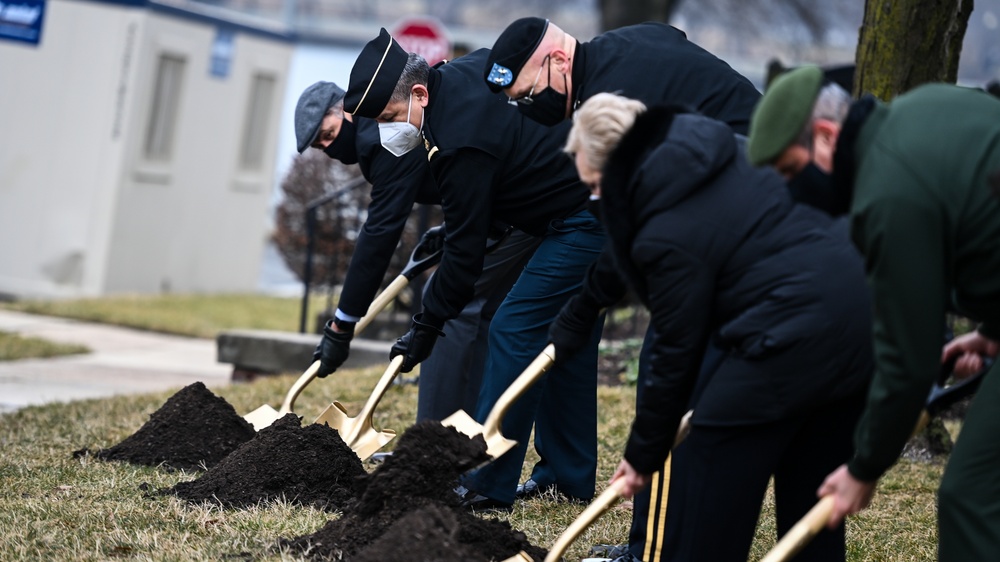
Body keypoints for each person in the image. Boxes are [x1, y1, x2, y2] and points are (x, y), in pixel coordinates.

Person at [483, 17, 762, 561]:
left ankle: (650, 550)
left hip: (741, 211)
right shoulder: (616, 52)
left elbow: (631, 238)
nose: (529, 108)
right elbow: (670, 33)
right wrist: (580, 312)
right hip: (737, 203)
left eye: (529, 93)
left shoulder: (618, 102)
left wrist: (583, 308)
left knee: (667, 373)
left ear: (558, 61)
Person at [566, 92, 873, 561]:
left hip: (789, 333)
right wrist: (579, 313)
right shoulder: (717, 150)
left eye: (594, 188)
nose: (595, 201)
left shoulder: (665, 230)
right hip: (861, 320)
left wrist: (642, 455)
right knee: (812, 499)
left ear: (615, 172)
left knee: (709, 480)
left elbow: (675, 348)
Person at [343, 29, 606, 511]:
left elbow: (464, 260)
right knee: (567, 337)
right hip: (574, 206)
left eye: (387, 117)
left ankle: (489, 480)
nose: (387, 130)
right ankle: (566, 478)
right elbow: (509, 161)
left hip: (583, 218)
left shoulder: (456, 140)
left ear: (418, 94)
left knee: (512, 326)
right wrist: (463, 225)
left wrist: (427, 324)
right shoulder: (466, 72)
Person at [747, 65, 1000, 561]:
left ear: (825, 137)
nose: (796, 191)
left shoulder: (888, 195)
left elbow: (908, 359)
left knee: (973, 497)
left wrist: (864, 468)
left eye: (793, 172)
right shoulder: (924, 105)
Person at [292, 81, 539, 422]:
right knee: (481, 313)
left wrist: (343, 323)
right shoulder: (377, 132)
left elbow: (380, 232)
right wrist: (450, 228)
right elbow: (458, 176)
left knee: (447, 304)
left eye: (328, 135)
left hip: (517, 210)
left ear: (346, 110)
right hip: (507, 207)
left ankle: (432, 440)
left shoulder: (381, 138)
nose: (328, 148)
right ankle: (463, 431)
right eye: (320, 145)